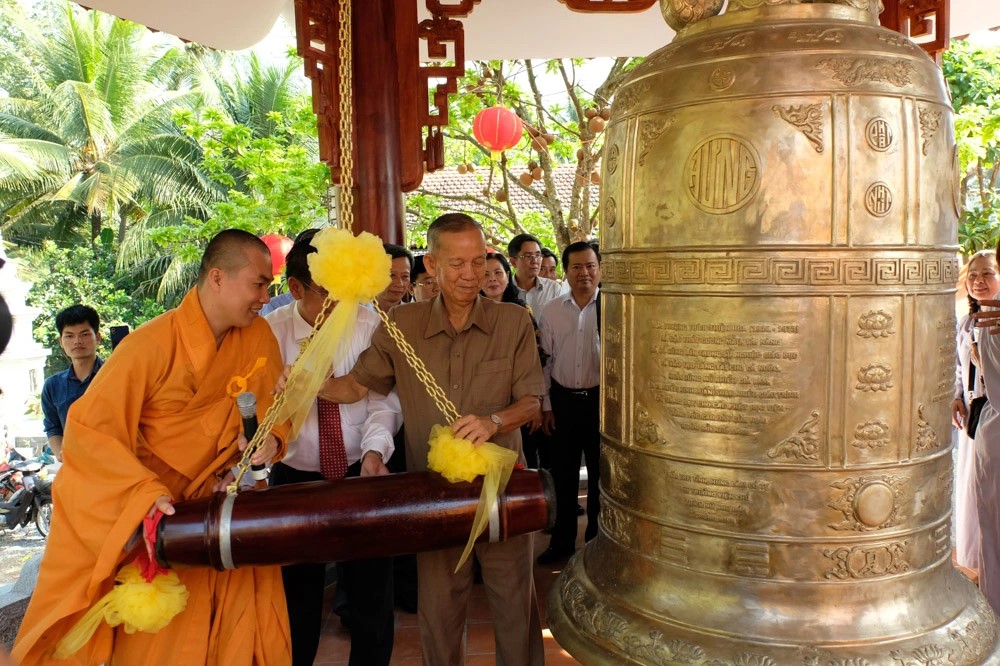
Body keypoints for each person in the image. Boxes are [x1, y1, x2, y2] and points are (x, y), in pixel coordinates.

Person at [13, 229, 291, 666]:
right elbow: (91, 433)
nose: (265, 296)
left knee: (241, 636)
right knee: (162, 645)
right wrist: (142, 493)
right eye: (259, 283)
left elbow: (275, 411)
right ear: (217, 277)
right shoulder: (149, 345)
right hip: (166, 522)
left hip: (228, 512)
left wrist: (271, 441)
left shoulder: (259, 339)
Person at [320, 213, 545, 666]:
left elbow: (532, 402)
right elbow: (355, 387)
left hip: (501, 490)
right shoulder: (402, 324)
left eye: (479, 262)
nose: (471, 275)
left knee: (515, 605)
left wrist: (493, 420)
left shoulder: (512, 321)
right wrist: (306, 382)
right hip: (433, 495)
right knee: (440, 610)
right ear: (432, 265)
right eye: (458, 264)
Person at [265, 229, 402, 666]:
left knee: (370, 598)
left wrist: (376, 452)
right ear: (296, 288)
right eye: (325, 293)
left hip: (361, 471)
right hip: (294, 478)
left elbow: (385, 401)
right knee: (296, 599)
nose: (337, 304)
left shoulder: (368, 324)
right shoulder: (269, 333)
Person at [536, 242, 602, 565]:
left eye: (590, 266)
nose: (584, 273)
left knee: (601, 478)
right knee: (563, 476)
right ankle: (562, 542)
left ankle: (595, 543)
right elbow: (544, 362)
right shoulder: (550, 311)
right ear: (566, 271)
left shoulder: (613, 308)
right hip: (562, 402)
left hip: (601, 404)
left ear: (600, 269)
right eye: (576, 267)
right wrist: (546, 405)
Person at [953, 250, 1000, 574]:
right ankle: (978, 566)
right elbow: (957, 367)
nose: (978, 281)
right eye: (973, 275)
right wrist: (957, 396)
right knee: (972, 494)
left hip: (993, 416)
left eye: (987, 274)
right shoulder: (967, 322)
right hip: (974, 416)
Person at [40, 305, 103, 461]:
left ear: (98, 337)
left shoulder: (116, 376)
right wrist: (62, 454)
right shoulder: (52, 386)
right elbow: (52, 427)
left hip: (115, 466)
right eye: (69, 336)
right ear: (61, 341)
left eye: (84, 334)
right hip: (74, 470)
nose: (77, 341)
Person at [507, 233, 564, 315]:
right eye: (528, 256)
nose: (535, 261)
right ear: (513, 262)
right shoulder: (504, 289)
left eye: (538, 255)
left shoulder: (554, 289)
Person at [375, 243, 413, 312]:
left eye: (405, 276)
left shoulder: (414, 315)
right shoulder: (357, 314)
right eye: (392, 275)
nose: (399, 284)